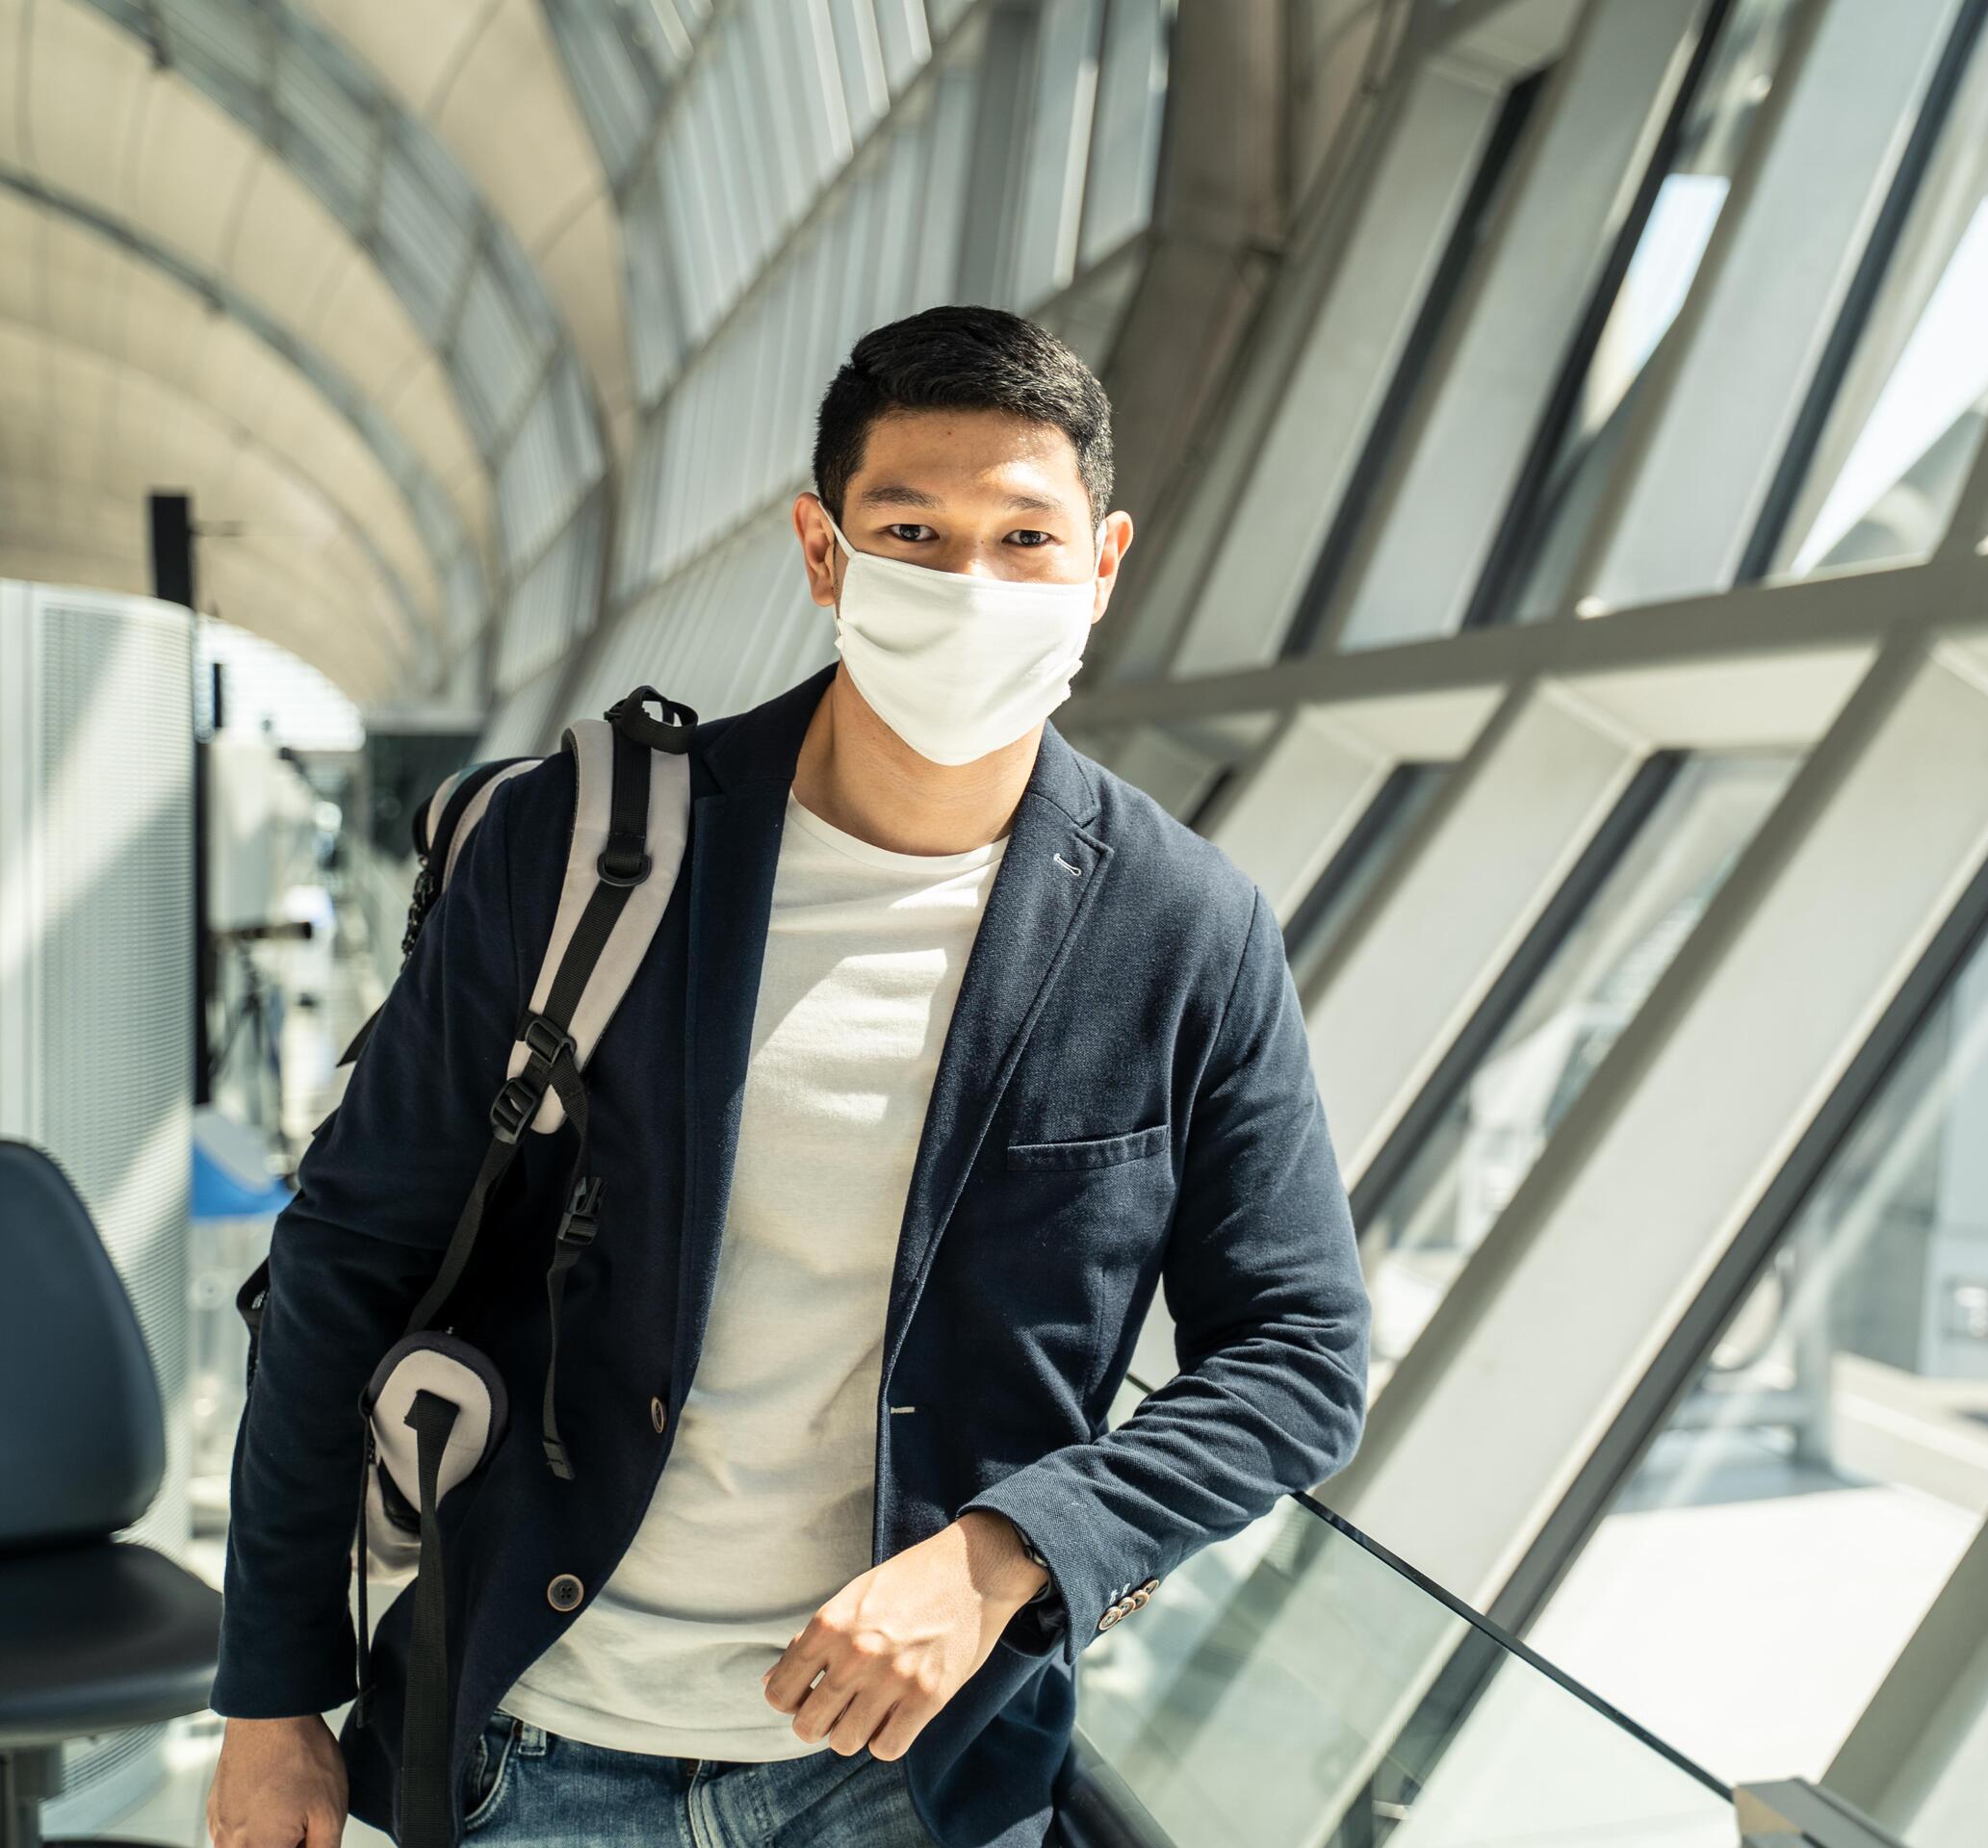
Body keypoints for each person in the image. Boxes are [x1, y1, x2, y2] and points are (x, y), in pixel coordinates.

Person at [205, 305, 1372, 1848]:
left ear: (1104, 563)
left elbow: (1299, 1352)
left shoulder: (1184, 930)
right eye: (914, 529)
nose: (972, 583)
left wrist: (1007, 1552)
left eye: (1026, 536)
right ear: (825, 553)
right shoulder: (589, 853)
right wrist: (272, 1702)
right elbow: (347, 1255)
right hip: (543, 1751)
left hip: (920, 1779)